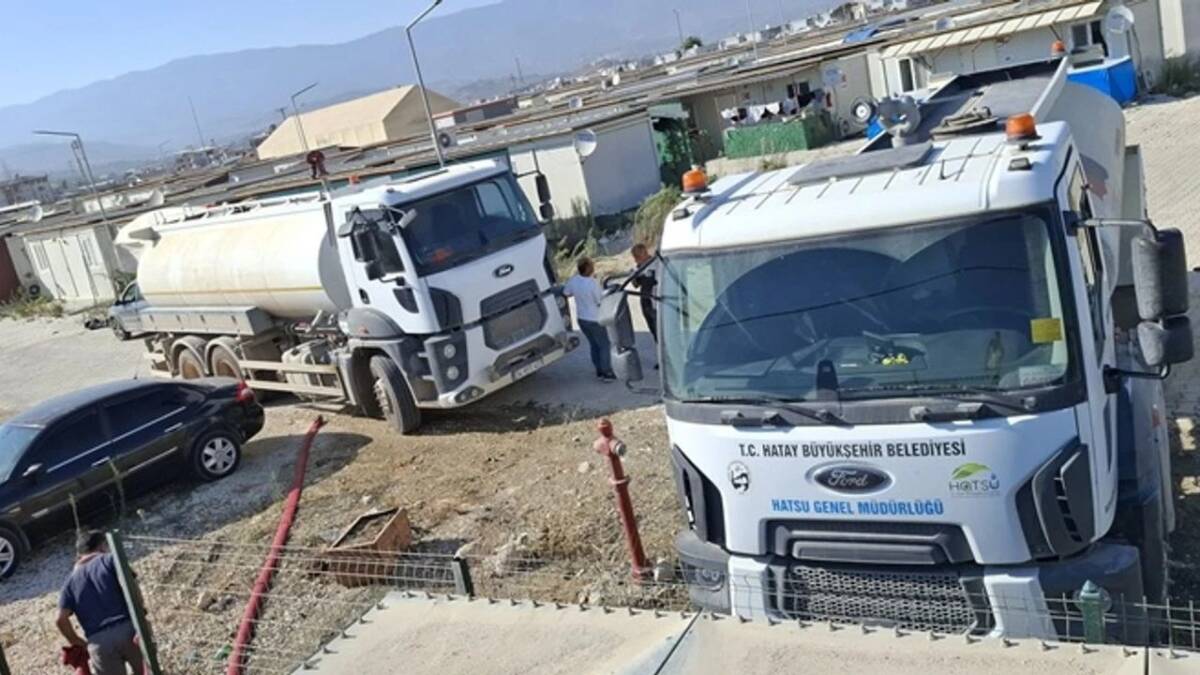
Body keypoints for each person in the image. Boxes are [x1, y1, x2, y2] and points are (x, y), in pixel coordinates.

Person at [57, 531, 144, 675]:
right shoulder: (111, 560)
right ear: (102, 546)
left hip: (98, 642)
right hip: (129, 630)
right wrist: (141, 615)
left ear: (79, 555)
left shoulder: (69, 583)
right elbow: (132, 588)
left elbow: (60, 619)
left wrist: (76, 640)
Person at [563, 257, 616, 381]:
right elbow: (599, 300)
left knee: (593, 345)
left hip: (582, 318)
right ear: (587, 268)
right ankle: (606, 372)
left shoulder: (574, 280)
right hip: (594, 318)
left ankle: (598, 370)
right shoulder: (592, 283)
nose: (593, 267)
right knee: (604, 345)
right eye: (592, 265)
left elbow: (566, 293)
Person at [630, 243, 658, 343]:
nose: (636, 260)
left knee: (658, 329)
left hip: (655, 302)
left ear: (644, 253)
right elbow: (635, 284)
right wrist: (634, 275)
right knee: (653, 329)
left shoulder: (655, 264)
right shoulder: (639, 267)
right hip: (645, 301)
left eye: (637, 257)